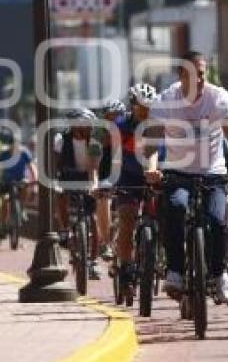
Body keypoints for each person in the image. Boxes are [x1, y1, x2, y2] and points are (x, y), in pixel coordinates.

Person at [143, 50, 228, 305]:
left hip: (214, 172)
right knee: (175, 208)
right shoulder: (166, 100)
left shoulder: (219, 98)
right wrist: (152, 169)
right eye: (192, 74)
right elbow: (152, 144)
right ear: (180, 75)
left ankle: (220, 275)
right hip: (178, 172)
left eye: (202, 74)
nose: (199, 79)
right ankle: (175, 270)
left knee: (217, 219)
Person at [111, 83, 158, 293]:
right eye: (141, 107)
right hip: (128, 178)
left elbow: (160, 153)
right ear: (132, 106)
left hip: (154, 177)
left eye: (149, 107)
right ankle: (126, 268)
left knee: (165, 216)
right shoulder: (120, 127)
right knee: (127, 220)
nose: (145, 112)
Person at [54, 108, 103, 280]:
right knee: (60, 195)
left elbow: (94, 169)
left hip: (86, 177)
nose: (86, 130)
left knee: (93, 219)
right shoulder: (61, 141)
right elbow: (55, 164)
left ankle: (93, 261)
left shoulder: (94, 143)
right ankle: (64, 229)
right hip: (67, 175)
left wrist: (94, 186)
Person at [96, 99, 128, 261]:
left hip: (126, 175)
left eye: (116, 118)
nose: (112, 122)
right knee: (103, 199)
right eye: (108, 118)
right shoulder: (100, 138)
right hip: (106, 176)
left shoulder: (129, 132)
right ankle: (106, 242)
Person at [0, 139, 37, 233]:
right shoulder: (3, 154)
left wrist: (34, 179)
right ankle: (4, 223)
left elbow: (32, 167)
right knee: (5, 200)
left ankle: (21, 209)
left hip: (20, 180)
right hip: (6, 181)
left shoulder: (24, 154)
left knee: (25, 185)